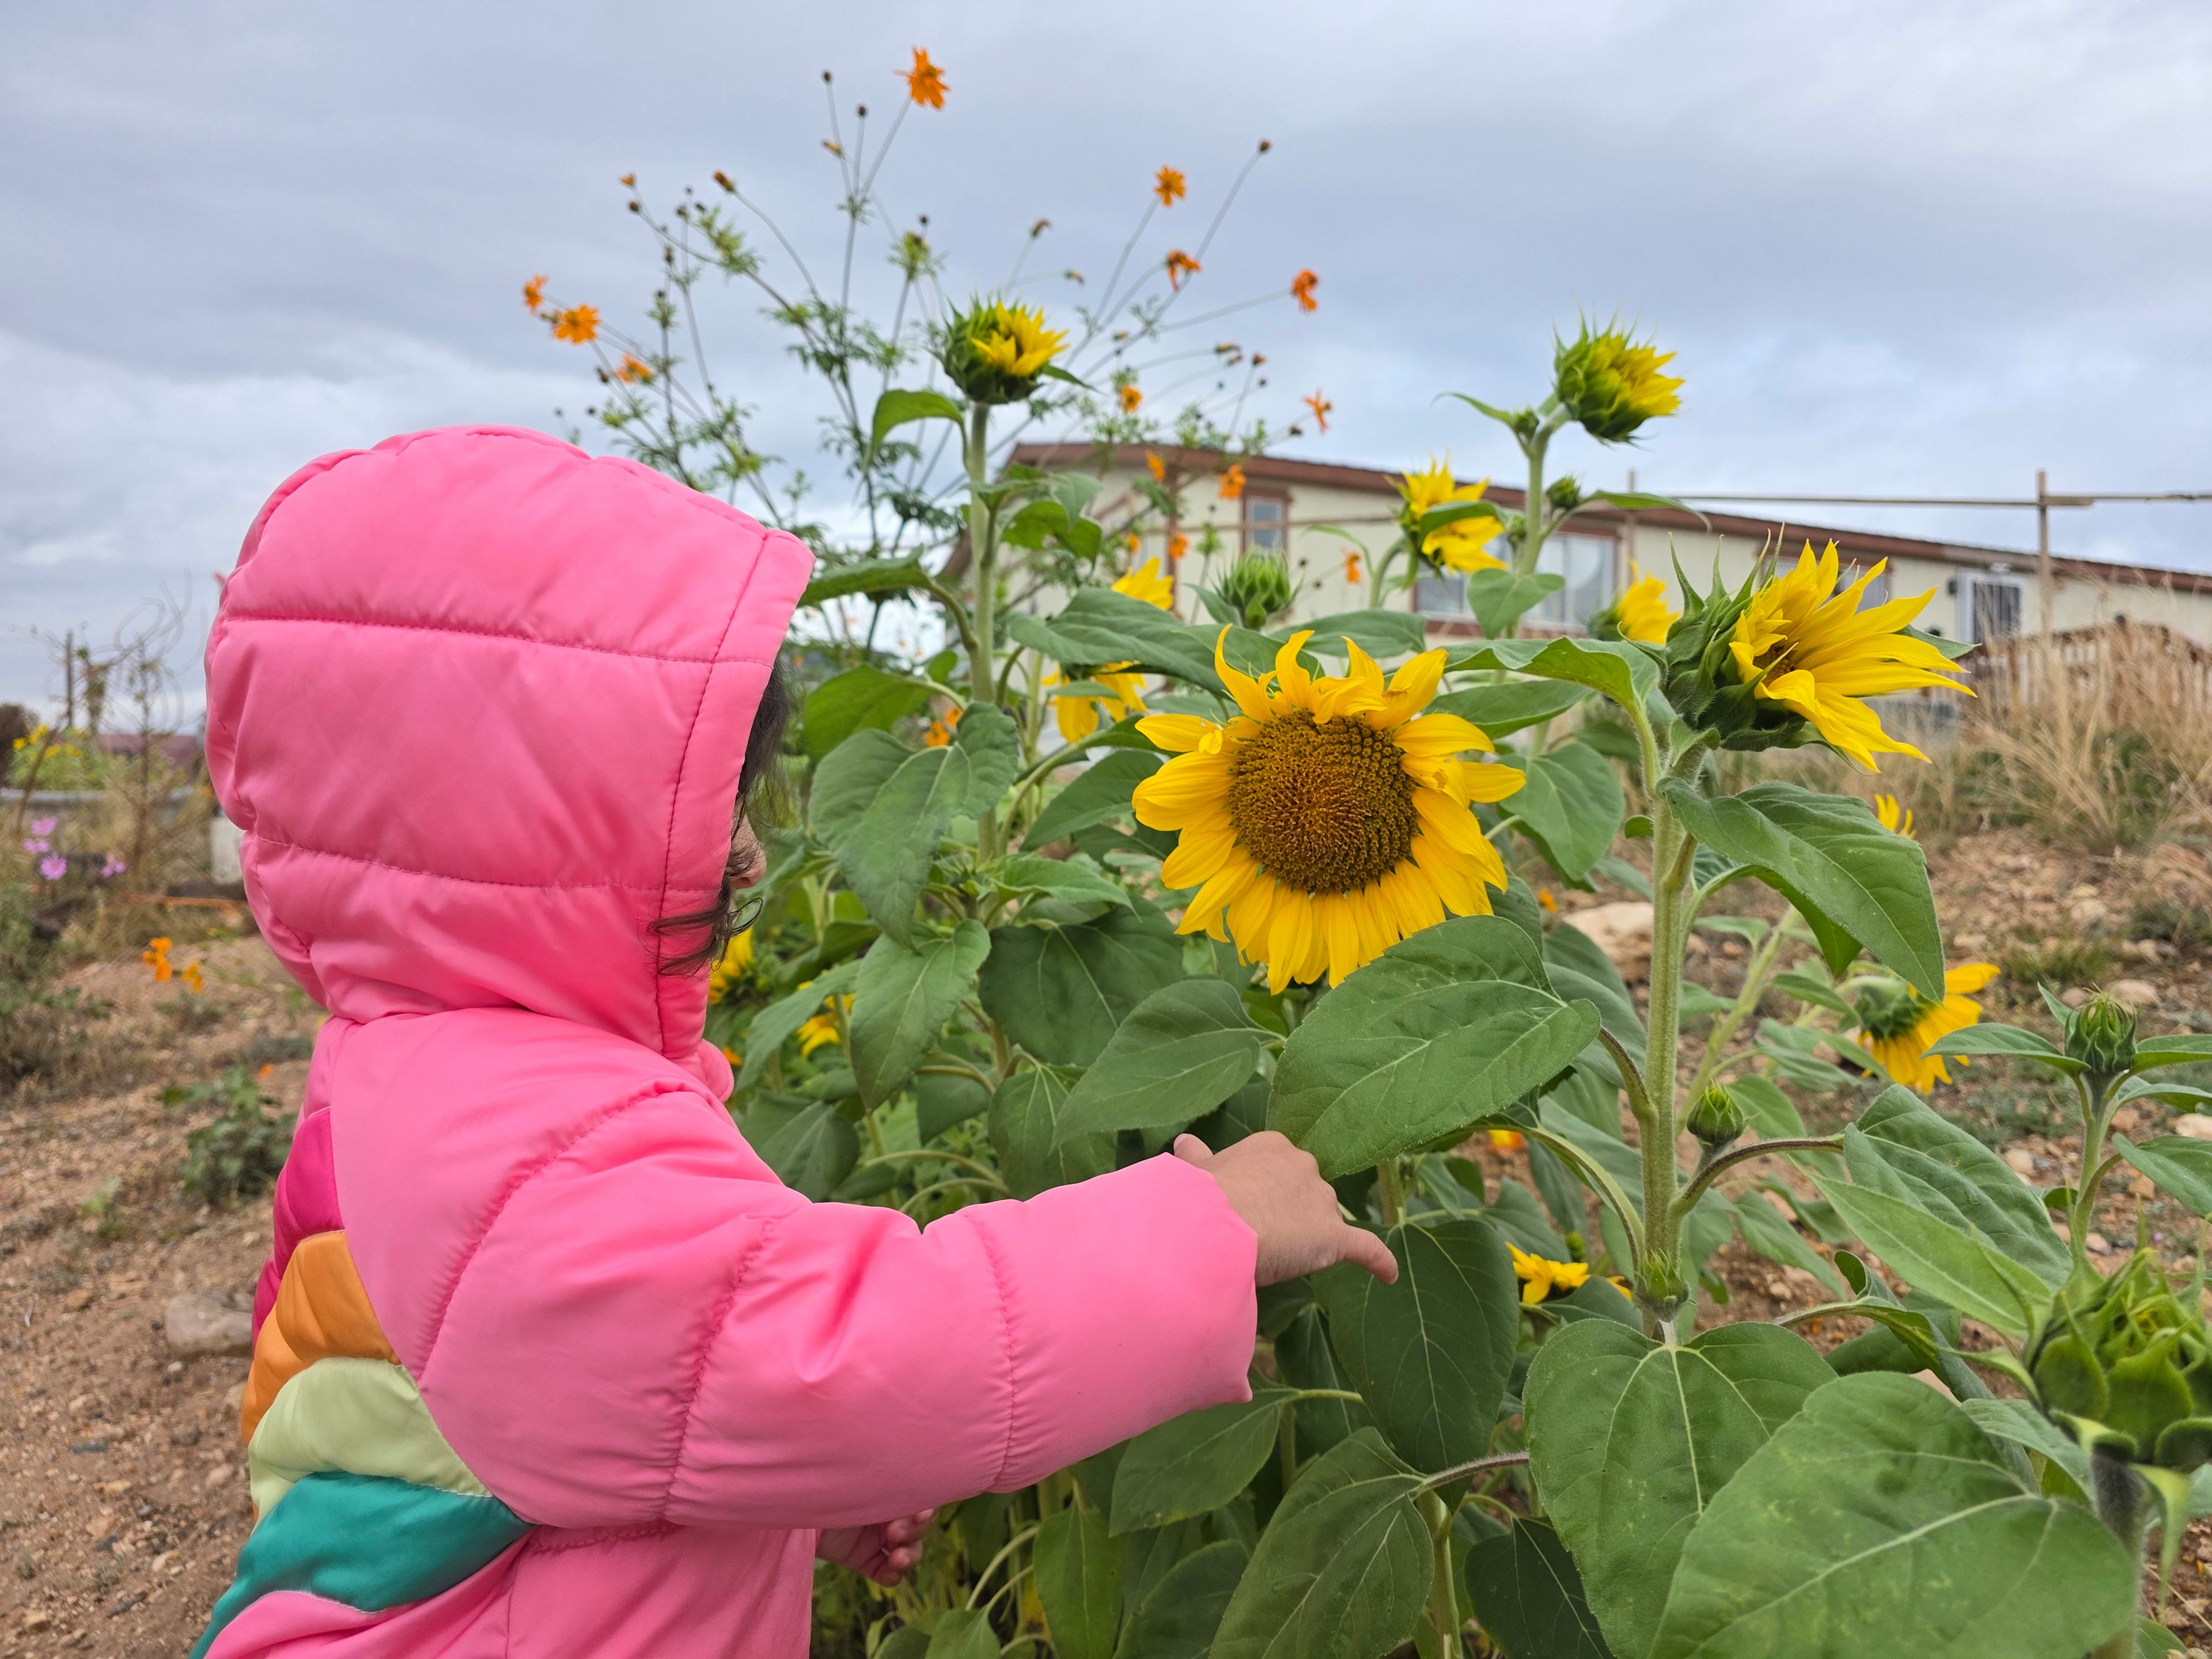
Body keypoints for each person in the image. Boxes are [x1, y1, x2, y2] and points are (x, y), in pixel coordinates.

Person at [195, 426, 1395, 1658]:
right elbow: (837, 1354)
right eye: (703, 810)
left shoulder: (430, 1064)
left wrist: (792, 1501)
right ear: (513, 833)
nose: (757, 854)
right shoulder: (529, 1160)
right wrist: (1207, 1234)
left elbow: (640, 1396)